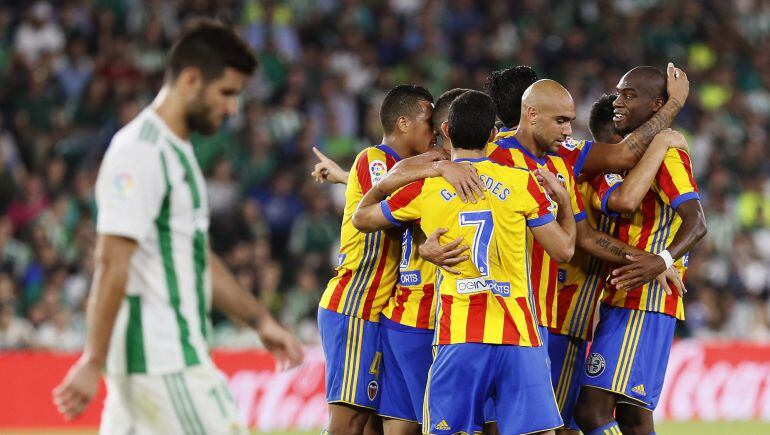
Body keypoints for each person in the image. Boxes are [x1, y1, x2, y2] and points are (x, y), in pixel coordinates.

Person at [52, 20, 304, 434]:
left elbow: (194, 256)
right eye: (227, 93)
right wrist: (92, 359)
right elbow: (111, 262)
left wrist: (259, 320)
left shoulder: (176, 150)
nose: (233, 108)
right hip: (165, 361)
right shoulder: (141, 152)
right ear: (190, 80)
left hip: (155, 363)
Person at [351, 90, 575, 435]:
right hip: (518, 333)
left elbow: (361, 218)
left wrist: (391, 182)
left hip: (459, 333)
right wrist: (565, 203)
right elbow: (564, 251)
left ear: (446, 131)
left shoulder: (427, 187)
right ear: (492, 135)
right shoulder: (522, 182)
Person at [316, 84, 482, 435]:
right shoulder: (375, 158)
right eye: (427, 122)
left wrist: (344, 178)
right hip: (355, 304)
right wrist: (441, 168)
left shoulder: (397, 167)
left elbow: (398, 192)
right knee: (348, 423)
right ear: (403, 123)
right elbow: (385, 203)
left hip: (380, 310)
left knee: (369, 423)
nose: (434, 132)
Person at [574, 66, 708, 435]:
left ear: (656, 105)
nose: (619, 101)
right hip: (623, 295)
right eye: (618, 93)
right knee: (633, 419)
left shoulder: (668, 156)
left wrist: (662, 260)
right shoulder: (627, 162)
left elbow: (697, 222)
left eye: (629, 95)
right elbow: (621, 202)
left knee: (591, 411)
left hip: (644, 298)